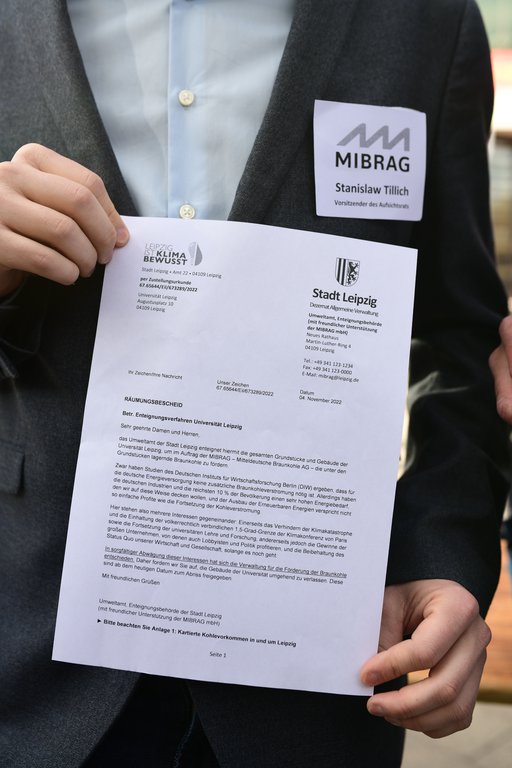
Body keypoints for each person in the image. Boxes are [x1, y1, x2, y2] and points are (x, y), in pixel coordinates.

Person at [0, 1, 509, 766]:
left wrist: (442, 551)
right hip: (33, 664)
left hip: (311, 672)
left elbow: (458, 338)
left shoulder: (422, 22)